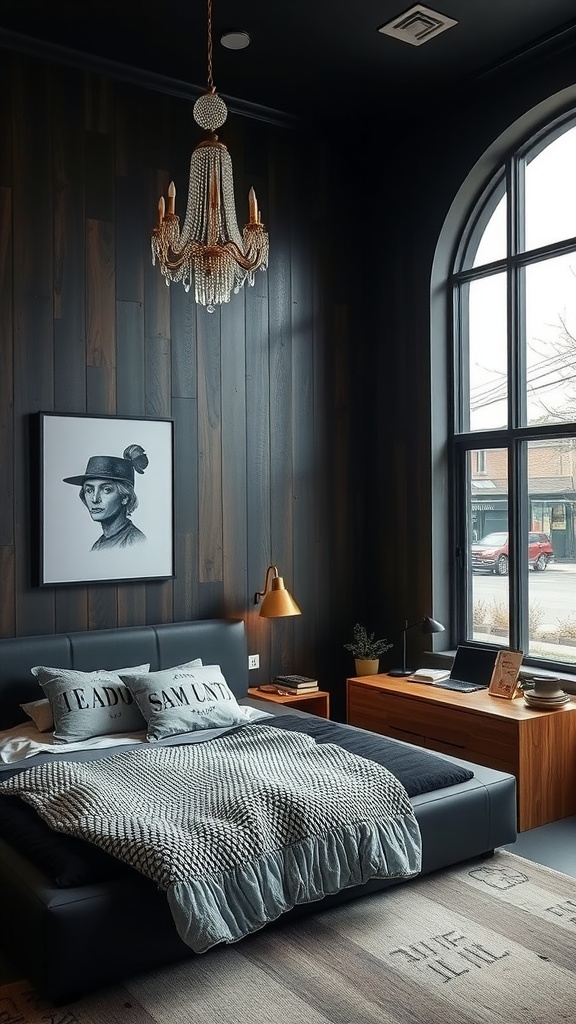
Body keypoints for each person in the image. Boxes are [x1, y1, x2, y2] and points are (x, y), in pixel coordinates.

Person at [63, 444, 149, 550]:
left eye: (106, 490)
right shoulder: (98, 546)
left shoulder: (135, 541)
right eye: (89, 490)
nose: (94, 499)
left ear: (125, 497)